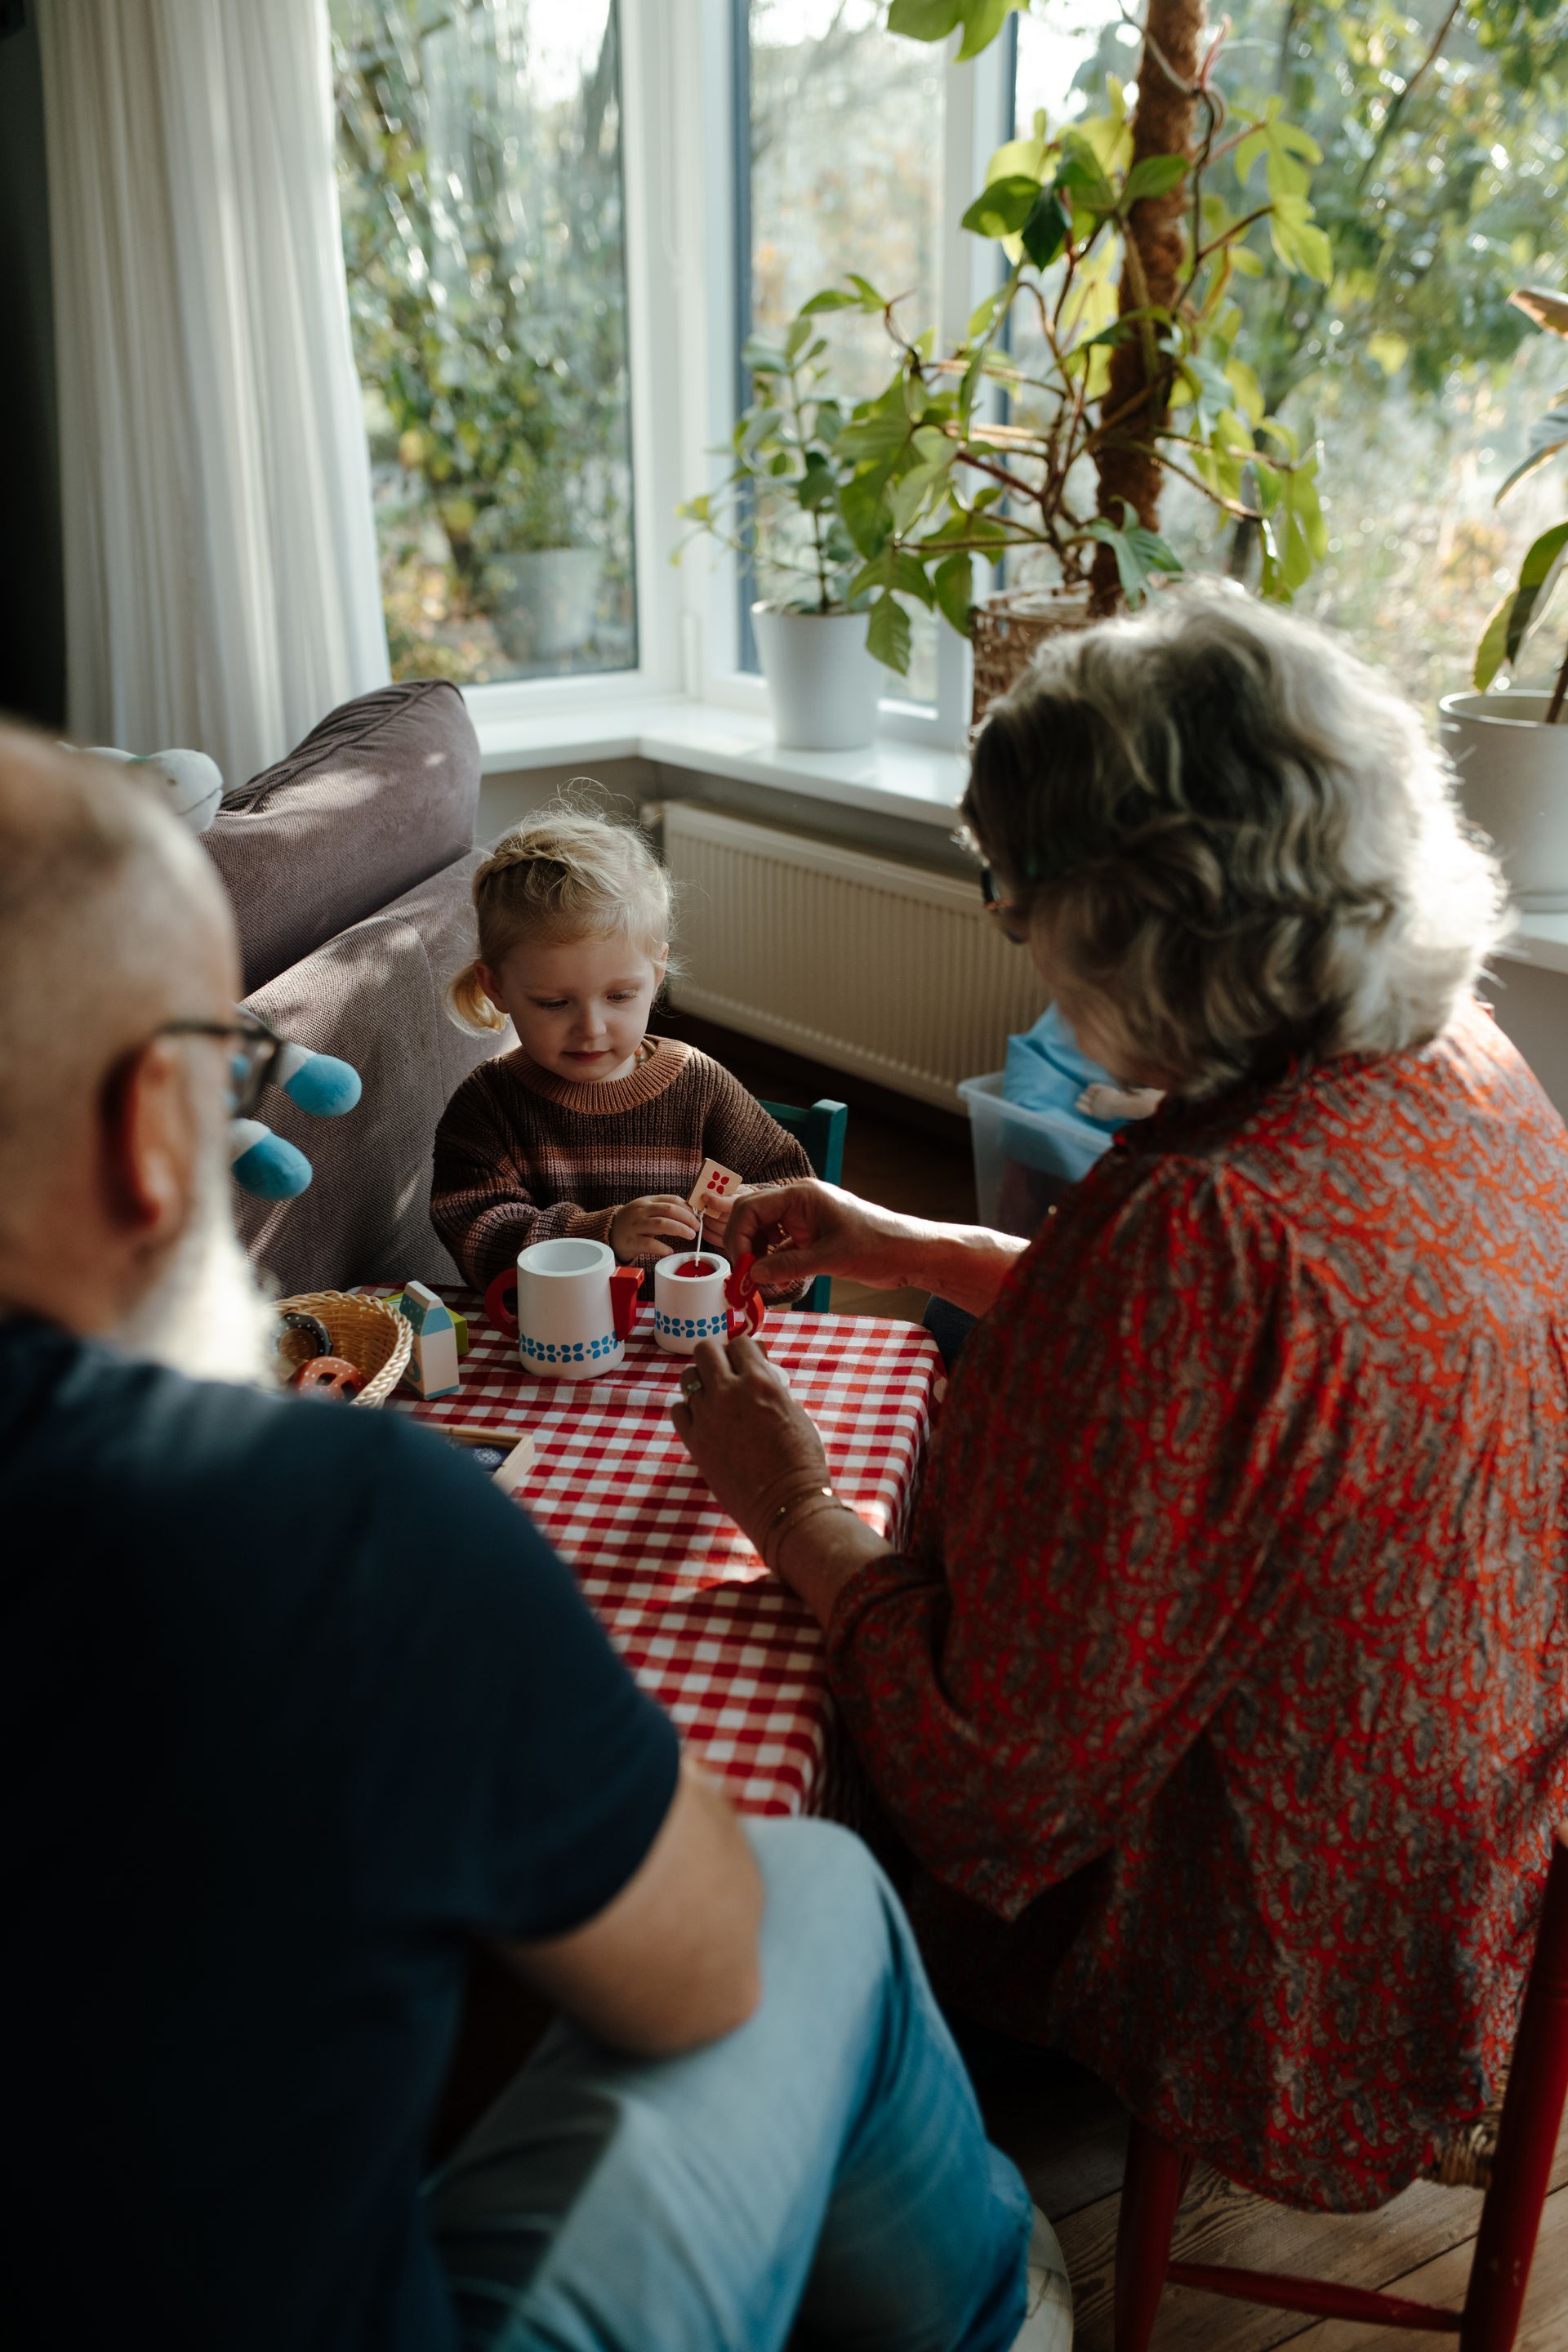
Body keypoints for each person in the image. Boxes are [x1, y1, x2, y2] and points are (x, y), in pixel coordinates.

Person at [0, 727, 1074, 2351]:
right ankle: (996, 2315)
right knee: (815, 1900)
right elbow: (704, 1973)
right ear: (163, 1133)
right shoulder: (341, 1530)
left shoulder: (693, 1097)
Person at [671, 584, 1568, 2216]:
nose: (1019, 936)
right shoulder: (1465, 1069)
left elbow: (994, 1768)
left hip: (1304, 1933)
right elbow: (1233, 1400)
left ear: (1141, 917)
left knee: (756, 1758)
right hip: (1480, 1827)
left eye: (1021, 902)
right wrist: (927, 1248)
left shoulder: (1203, 1229)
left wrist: (790, 1503)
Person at [431, 809, 811, 1290]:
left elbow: (799, 1216)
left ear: (655, 977)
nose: (591, 1029)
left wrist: (754, 1226)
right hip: (557, 1344)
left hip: (695, 1343)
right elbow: (476, 1241)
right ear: (497, 988)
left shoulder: (702, 1087)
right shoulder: (488, 1105)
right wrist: (598, 1237)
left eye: (619, 996)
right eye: (554, 1002)